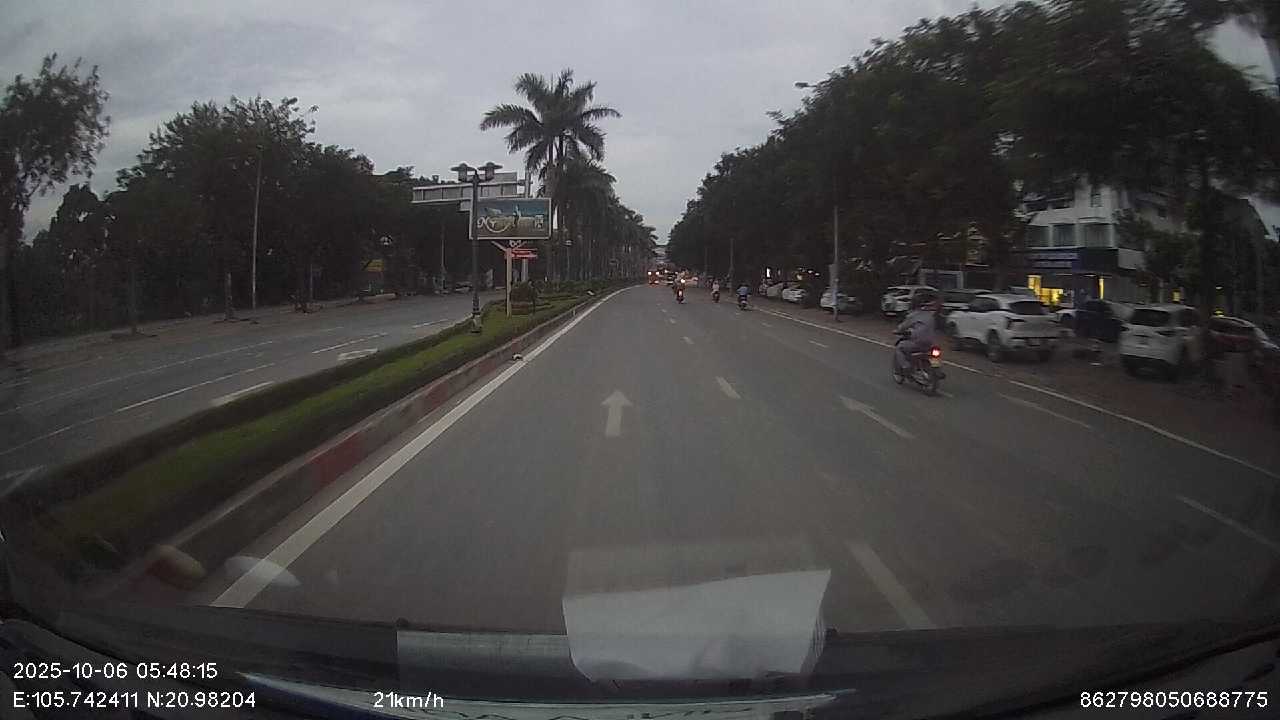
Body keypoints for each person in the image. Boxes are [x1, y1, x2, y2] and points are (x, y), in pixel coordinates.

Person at [894, 293, 941, 373]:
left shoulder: (913, 315)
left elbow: (903, 327)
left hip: (917, 343)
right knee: (935, 353)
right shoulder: (931, 315)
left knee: (900, 348)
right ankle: (936, 367)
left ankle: (906, 366)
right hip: (931, 343)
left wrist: (897, 331)